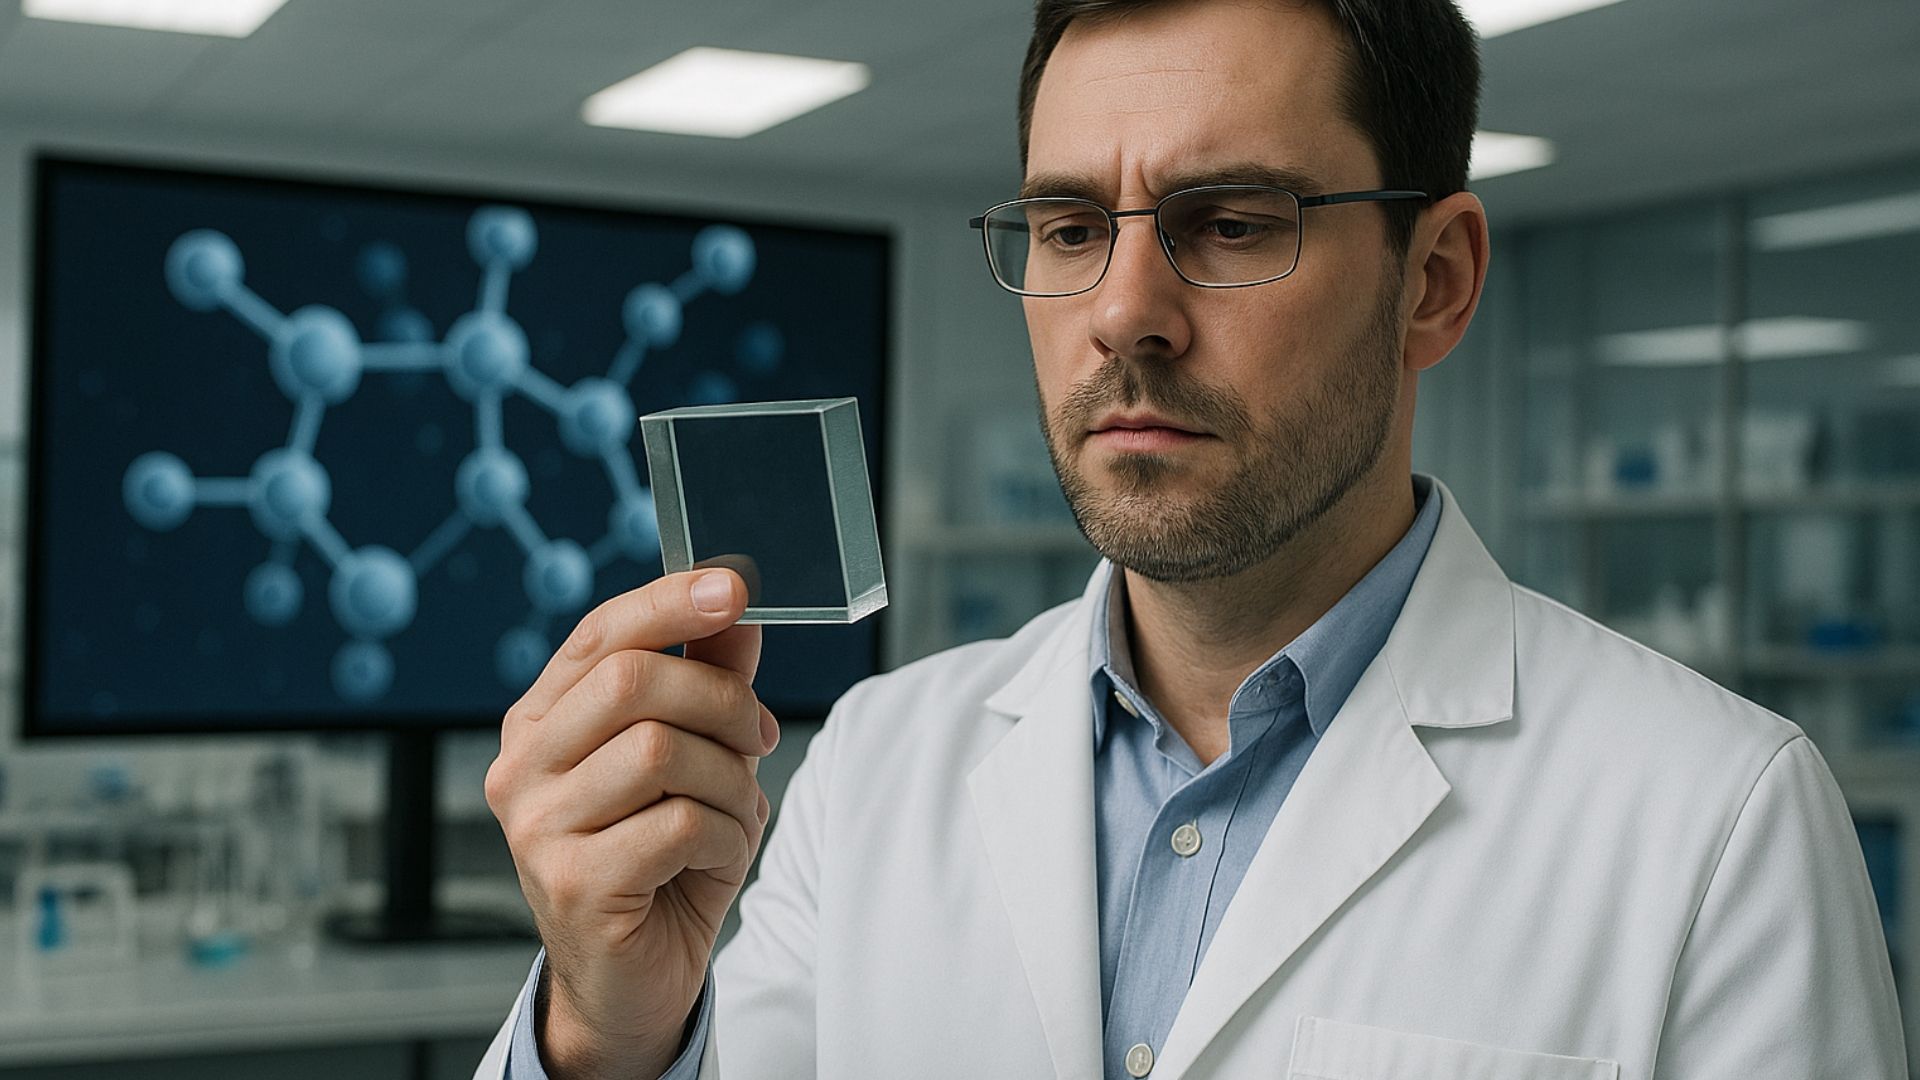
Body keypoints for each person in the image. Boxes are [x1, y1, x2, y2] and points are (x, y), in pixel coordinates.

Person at [475, 0, 1907, 1076]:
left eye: (1228, 224)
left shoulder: (1717, 822)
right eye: (1068, 223)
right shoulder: (872, 769)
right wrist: (609, 1031)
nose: (1124, 311)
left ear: (1437, 281)